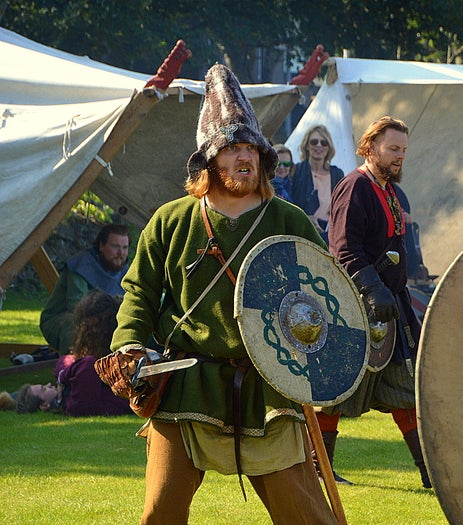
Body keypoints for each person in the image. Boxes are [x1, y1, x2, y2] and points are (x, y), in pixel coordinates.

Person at [108, 64, 336, 524]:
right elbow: (139, 291)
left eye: (249, 147)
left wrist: (319, 358)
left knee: (305, 514)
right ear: (210, 160)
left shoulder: (288, 221)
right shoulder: (172, 221)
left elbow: (324, 298)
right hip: (186, 383)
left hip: (268, 386)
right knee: (160, 512)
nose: (243, 157)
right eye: (231, 148)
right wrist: (129, 345)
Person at [322, 116, 431, 489]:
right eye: (393, 149)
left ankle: (429, 474)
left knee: (403, 388)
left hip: (390, 305)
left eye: (403, 149)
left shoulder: (388, 189)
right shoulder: (355, 187)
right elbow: (344, 249)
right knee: (337, 385)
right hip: (356, 304)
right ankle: (321, 467)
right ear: (371, 148)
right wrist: (372, 289)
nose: (400, 156)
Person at [40, 224, 130, 354]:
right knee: (77, 325)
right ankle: (70, 369)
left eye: (125, 247)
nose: (121, 253)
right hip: (59, 319)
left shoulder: (125, 272)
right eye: (115, 246)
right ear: (101, 246)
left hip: (103, 319)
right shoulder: (81, 266)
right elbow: (77, 306)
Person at [55, 289, 131, 417]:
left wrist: (63, 377)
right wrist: (63, 375)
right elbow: (67, 360)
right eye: (87, 327)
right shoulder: (85, 357)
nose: (92, 332)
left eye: (96, 326)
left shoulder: (121, 350)